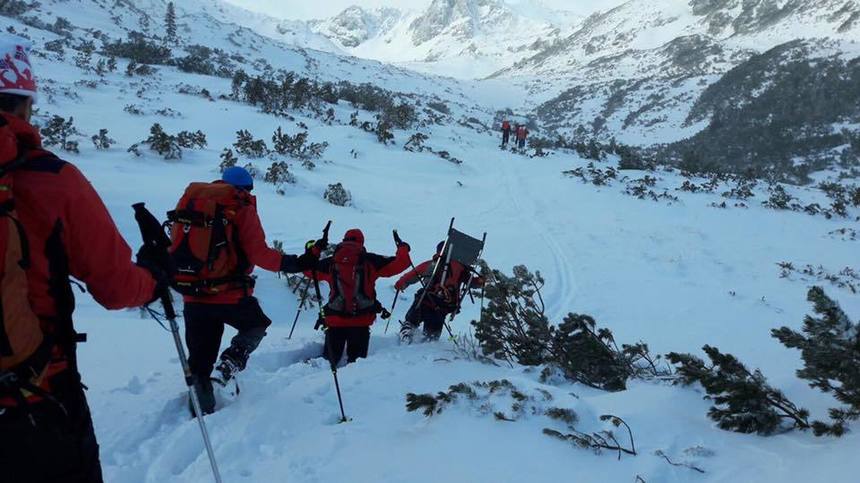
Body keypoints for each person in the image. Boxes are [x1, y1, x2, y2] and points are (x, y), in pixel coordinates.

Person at [0, 34, 161, 483]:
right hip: (33, 403)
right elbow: (114, 288)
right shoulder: (52, 181)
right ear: (25, 102)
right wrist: (153, 277)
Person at [170, 166, 321, 415]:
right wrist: (295, 263)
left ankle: (199, 414)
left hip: (193, 294)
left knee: (199, 362)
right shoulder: (239, 207)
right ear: (246, 188)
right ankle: (230, 362)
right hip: (229, 293)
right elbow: (259, 253)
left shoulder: (192, 204)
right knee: (255, 325)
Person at [310, 229, 410, 364]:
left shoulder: (331, 262)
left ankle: (319, 376)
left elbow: (307, 269)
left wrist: (315, 250)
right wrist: (402, 248)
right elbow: (402, 263)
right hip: (361, 320)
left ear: (344, 240)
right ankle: (353, 380)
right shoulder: (372, 260)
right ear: (362, 242)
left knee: (329, 362)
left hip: (334, 319)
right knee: (357, 365)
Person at [395, 242, 484, 343]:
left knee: (412, 320)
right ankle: (430, 342)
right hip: (445, 306)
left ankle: (407, 333)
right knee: (432, 336)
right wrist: (482, 281)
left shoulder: (433, 264)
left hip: (427, 300)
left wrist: (400, 284)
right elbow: (472, 283)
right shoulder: (461, 269)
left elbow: (412, 275)